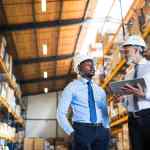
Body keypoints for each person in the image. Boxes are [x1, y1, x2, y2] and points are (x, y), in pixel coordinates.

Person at [57, 54, 110, 150]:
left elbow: (104, 111)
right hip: (81, 130)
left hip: (101, 131)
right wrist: (71, 132)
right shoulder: (71, 87)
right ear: (79, 68)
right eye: (88, 64)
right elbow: (60, 113)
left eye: (92, 64)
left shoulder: (99, 89)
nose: (92, 67)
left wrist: (106, 128)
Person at [118, 35, 150, 150]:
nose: (125, 54)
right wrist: (123, 101)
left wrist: (144, 94)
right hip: (133, 119)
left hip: (147, 116)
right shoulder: (129, 74)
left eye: (127, 51)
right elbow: (129, 102)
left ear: (137, 50)